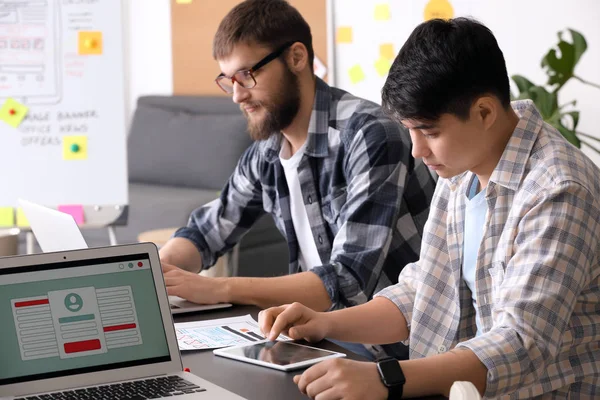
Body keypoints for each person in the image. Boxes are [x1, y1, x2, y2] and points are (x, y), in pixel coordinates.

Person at [259, 17, 600, 399]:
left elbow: (521, 343)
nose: (418, 151)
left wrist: (386, 378)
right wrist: (323, 324)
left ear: (485, 113)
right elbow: (426, 291)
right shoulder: (462, 169)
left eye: (430, 132)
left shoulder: (558, 189)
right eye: (410, 130)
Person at [158, 0, 435, 357]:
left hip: (395, 350)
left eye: (247, 75)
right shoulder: (268, 151)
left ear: (297, 57)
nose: (238, 95)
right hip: (317, 338)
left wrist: (218, 288)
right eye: (228, 81)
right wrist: (157, 275)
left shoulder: (371, 134)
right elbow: (204, 233)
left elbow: (346, 280)